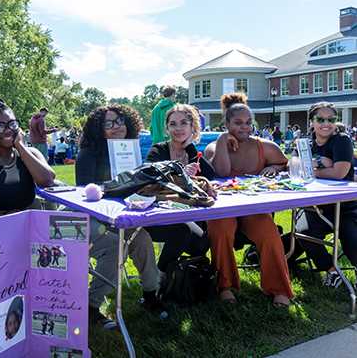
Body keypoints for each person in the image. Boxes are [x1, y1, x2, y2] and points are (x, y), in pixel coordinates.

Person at [76, 104, 168, 328]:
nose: (116, 126)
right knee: (115, 246)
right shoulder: (89, 153)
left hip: (120, 216)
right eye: (109, 123)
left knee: (143, 239)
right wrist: (115, 187)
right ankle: (90, 307)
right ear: (100, 129)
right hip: (89, 216)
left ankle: (149, 295)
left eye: (120, 121)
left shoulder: (131, 150)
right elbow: (83, 192)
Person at [204, 92, 294, 307]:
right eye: (237, 123)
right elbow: (222, 173)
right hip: (224, 210)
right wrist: (221, 141)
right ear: (226, 124)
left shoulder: (267, 146)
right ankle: (224, 286)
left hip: (254, 209)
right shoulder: (213, 148)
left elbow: (287, 164)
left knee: (268, 231)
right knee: (221, 228)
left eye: (248, 123)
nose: (244, 127)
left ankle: (280, 289)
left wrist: (272, 166)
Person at [145, 104, 216, 285]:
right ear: (167, 128)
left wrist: (190, 147)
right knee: (182, 231)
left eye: (184, 123)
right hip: (158, 213)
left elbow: (210, 174)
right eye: (173, 124)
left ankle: (183, 276)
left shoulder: (192, 152)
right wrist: (181, 173)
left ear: (193, 127)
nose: (178, 128)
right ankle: (159, 279)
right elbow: (148, 176)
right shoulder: (158, 150)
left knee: (202, 244)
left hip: (187, 211)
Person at [295, 102, 357, 288]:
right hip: (313, 207)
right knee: (304, 234)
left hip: (344, 207)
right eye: (320, 119)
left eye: (331, 119)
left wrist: (310, 169)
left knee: (353, 246)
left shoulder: (342, 140)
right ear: (311, 122)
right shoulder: (305, 144)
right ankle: (331, 271)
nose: (326, 123)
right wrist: (321, 161)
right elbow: (292, 167)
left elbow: (339, 173)